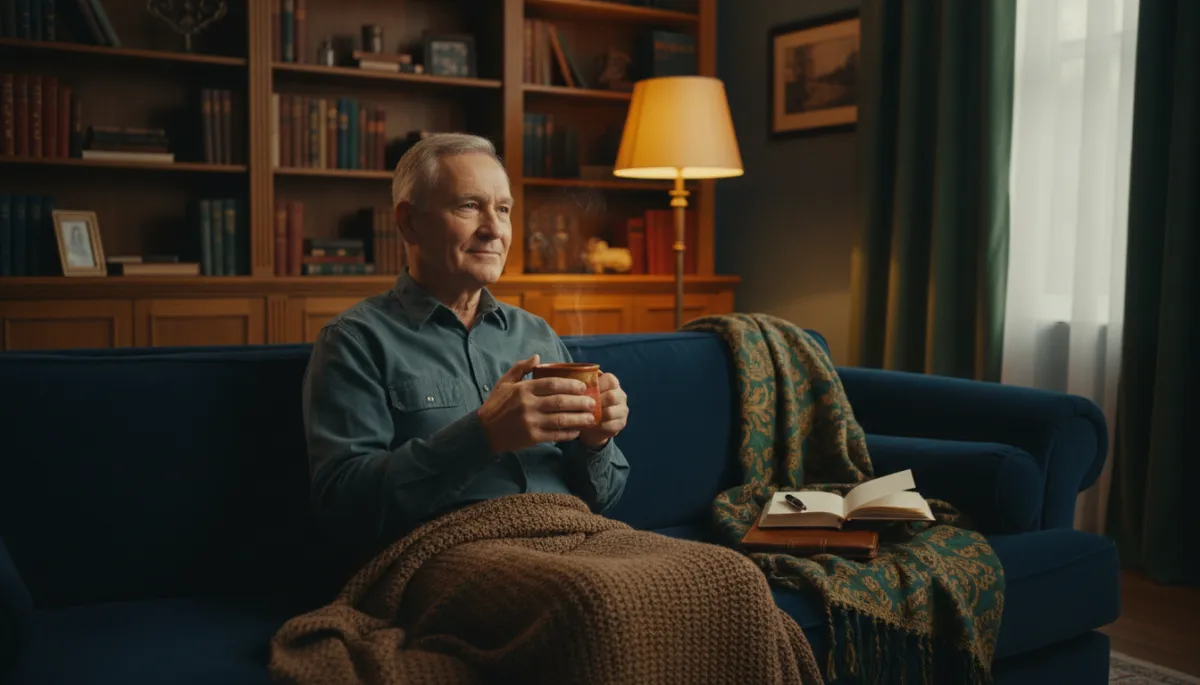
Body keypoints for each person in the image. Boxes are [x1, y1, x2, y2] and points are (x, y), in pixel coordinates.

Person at [301, 133, 631, 559]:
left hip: (572, 535)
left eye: (504, 210)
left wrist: (595, 443)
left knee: (730, 572)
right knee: (598, 598)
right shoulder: (356, 340)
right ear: (408, 222)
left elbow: (603, 499)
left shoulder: (537, 334)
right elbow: (342, 508)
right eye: (469, 206)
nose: (494, 229)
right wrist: (483, 435)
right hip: (448, 551)